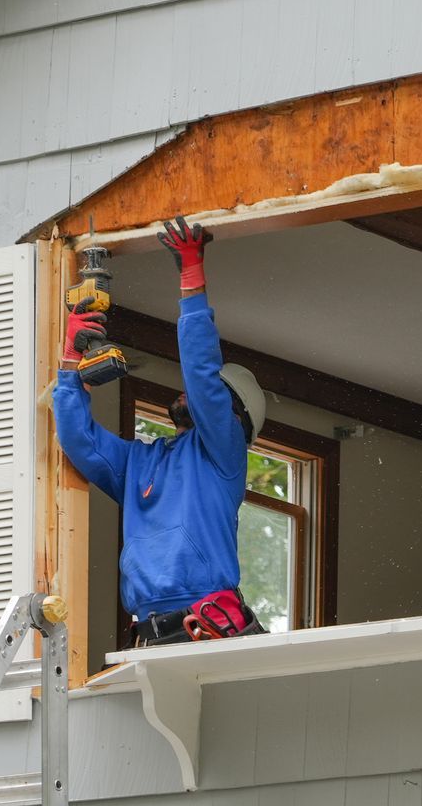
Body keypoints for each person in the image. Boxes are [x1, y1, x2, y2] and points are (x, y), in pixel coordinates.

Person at [52, 216, 269, 645]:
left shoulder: (223, 454)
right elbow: (79, 439)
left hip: (207, 627)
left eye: (210, 394)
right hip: (150, 633)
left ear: (234, 416)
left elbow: (203, 375)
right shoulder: (140, 462)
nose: (191, 392)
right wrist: (68, 362)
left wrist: (191, 276)